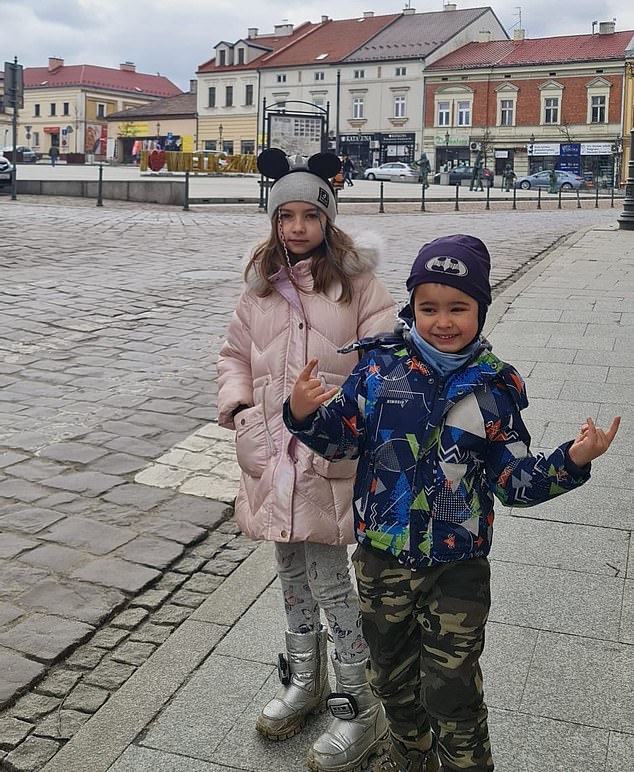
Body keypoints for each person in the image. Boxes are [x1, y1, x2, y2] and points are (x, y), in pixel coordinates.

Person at [283, 233, 620, 772]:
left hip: (457, 569)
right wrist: (303, 415)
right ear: (411, 308)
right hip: (382, 562)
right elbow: (340, 440)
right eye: (428, 307)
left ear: (480, 311)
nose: (442, 321)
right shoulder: (378, 370)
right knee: (389, 677)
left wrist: (571, 461)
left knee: (451, 689)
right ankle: (408, 754)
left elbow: (513, 481)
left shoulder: (494, 390)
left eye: (458, 308)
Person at [217, 147, 395, 772]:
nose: (296, 227)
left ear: (328, 218)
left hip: (324, 451)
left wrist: (346, 410)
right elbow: (234, 354)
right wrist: (239, 408)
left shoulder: (357, 286)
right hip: (270, 453)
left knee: (330, 579)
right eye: (285, 215)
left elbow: (383, 359)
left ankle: (356, 698)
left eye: (308, 215)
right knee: (289, 573)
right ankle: (304, 678)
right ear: (273, 221)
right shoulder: (260, 287)